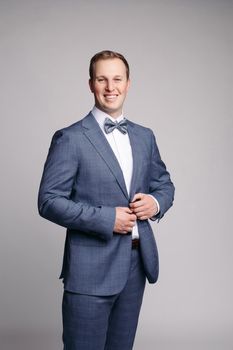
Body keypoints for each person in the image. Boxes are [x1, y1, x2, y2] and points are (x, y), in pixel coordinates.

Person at [38, 50, 175, 350]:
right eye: (102, 79)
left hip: (136, 264)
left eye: (117, 79)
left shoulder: (145, 136)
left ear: (128, 83)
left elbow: (164, 185)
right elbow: (48, 200)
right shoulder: (71, 138)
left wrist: (156, 203)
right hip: (90, 267)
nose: (110, 87)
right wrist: (106, 218)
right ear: (91, 84)